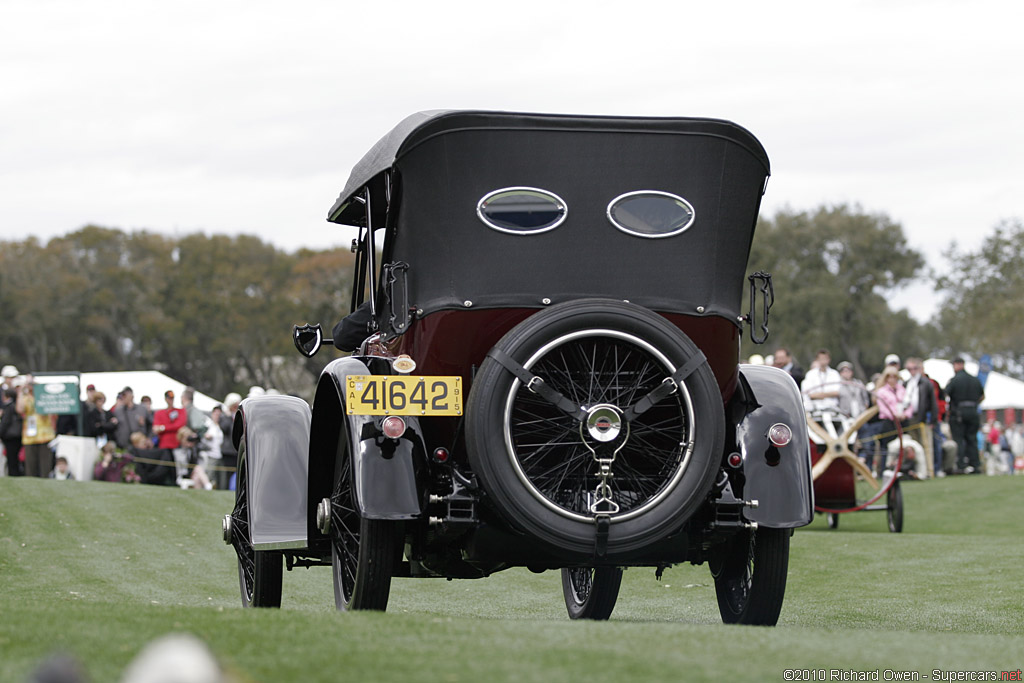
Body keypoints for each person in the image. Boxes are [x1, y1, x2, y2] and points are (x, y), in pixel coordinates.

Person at [945, 356, 984, 474]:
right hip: (973, 411)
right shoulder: (975, 380)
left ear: (958, 365)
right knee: (972, 439)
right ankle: (975, 465)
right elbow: (982, 396)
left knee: (959, 439)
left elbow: (946, 394)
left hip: (959, 413)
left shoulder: (954, 380)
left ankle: (961, 465)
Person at [16, 375, 57, 477]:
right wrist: (21, 392)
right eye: (30, 385)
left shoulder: (46, 397)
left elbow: (54, 415)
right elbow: (20, 409)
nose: (32, 387)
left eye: (33, 384)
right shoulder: (26, 398)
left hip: (45, 436)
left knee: (45, 468)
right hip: (30, 437)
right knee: (30, 468)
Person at [153, 390, 189, 481]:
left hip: (177, 445)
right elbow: (155, 429)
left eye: (172, 398)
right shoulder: (159, 413)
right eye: (169, 398)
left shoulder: (180, 411)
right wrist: (167, 428)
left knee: (179, 468)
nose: (171, 400)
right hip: (164, 446)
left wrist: (163, 428)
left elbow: (180, 424)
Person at [801, 349, 842, 413]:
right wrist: (828, 394)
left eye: (825, 358)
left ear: (829, 360)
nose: (823, 360)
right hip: (814, 410)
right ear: (817, 359)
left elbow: (837, 392)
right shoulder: (810, 374)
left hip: (832, 409)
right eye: (821, 358)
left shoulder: (834, 374)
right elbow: (810, 395)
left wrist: (819, 395)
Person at [218, 392, 241, 491]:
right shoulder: (224, 417)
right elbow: (225, 429)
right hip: (228, 450)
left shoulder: (239, 416)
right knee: (228, 473)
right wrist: (228, 416)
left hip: (237, 450)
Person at [1, 387, 24, 476]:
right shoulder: (15, 405)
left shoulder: (8, 407)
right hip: (16, 436)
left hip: (10, 437)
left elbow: (5, 422)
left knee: (12, 459)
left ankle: (13, 475)